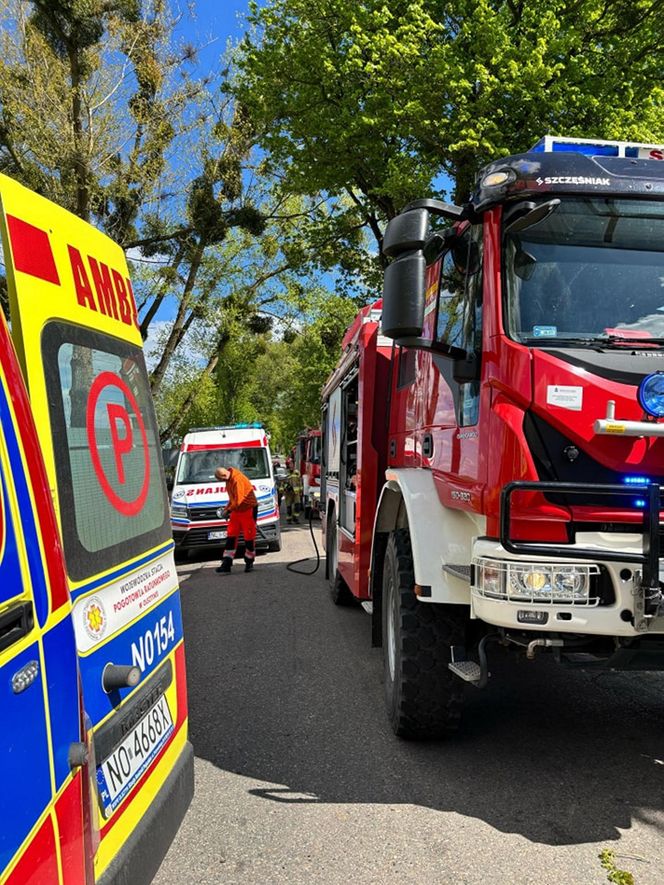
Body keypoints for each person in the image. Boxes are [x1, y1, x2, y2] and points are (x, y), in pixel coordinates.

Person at [214, 466, 258, 574]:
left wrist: (227, 511)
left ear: (224, 475)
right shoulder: (229, 480)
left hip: (248, 509)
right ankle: (226, 564)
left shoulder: (237, 480)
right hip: (237, 510)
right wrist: (226, 508)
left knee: (249, 537)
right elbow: (232, 499)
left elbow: (238, 500)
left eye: (221, 480)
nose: (221, 482)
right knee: (231, 536)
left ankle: (249, 562)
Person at [284, 458, 302, 524]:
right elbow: (282, 483)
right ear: (288, 465)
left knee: (297, 506)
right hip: (288, 493)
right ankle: (289, 519)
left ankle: (295, 518)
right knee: (289, 507)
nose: (291, 465)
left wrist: (301, 491)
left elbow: (300, 482)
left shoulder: (297, 472)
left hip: (296, 493)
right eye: (290, 464)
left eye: (292, 464)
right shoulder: (286, 473)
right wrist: (286, 487)